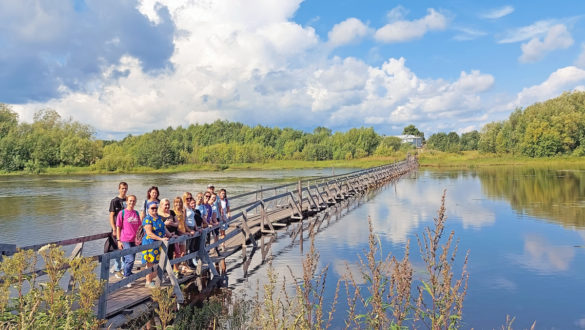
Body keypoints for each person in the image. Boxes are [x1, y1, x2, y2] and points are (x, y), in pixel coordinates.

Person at [142, 201, 175, 288]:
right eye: (152, 208)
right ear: (148, 209)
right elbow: (149, 233)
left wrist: (170, 235)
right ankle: (148, 282)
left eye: (156, 208)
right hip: (150, 243)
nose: (154, 210)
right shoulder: (147, 219)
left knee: (157, 262)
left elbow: (163, 228)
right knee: (150, 263)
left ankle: (153, 279)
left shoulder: (159, 218)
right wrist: (161, 239)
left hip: (158, 243)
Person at [116, 195, 141, 286]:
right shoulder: (122, 213)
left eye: (134, 201)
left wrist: (139, 239)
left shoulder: (136, 213)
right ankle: (127, 277)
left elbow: (139, 227)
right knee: (129, 259)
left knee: (131, 259)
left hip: (134, 240)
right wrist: (118, 240)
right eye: (130, 201)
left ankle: (128, 273)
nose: (132, 202)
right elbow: (118, 227)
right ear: (126, 201)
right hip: (125, 239)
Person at [158, 198, 183, 276]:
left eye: (168, 204)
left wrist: (171, 223)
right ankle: (163, 273)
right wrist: (165, 223)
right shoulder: (158, 214)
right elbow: (158, 226)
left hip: (173, 236)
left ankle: (171, 272)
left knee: (172, 254)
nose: (167, 206)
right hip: (165, 237)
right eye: (165, 205)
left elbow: (177, 223)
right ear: (161, 205)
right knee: (163, 255)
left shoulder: (172, 212)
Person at [108, 182, 127, 277]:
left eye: (125, 188)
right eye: (122, 188)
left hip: (126, 228)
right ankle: (117, 268)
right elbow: (111, 216)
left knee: (125, 247)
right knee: (117, 248)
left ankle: (123, 268)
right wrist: (114, 229)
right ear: (119, 189)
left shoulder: (128, 200)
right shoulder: (114, 201)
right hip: (117, 228)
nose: (124, 190)